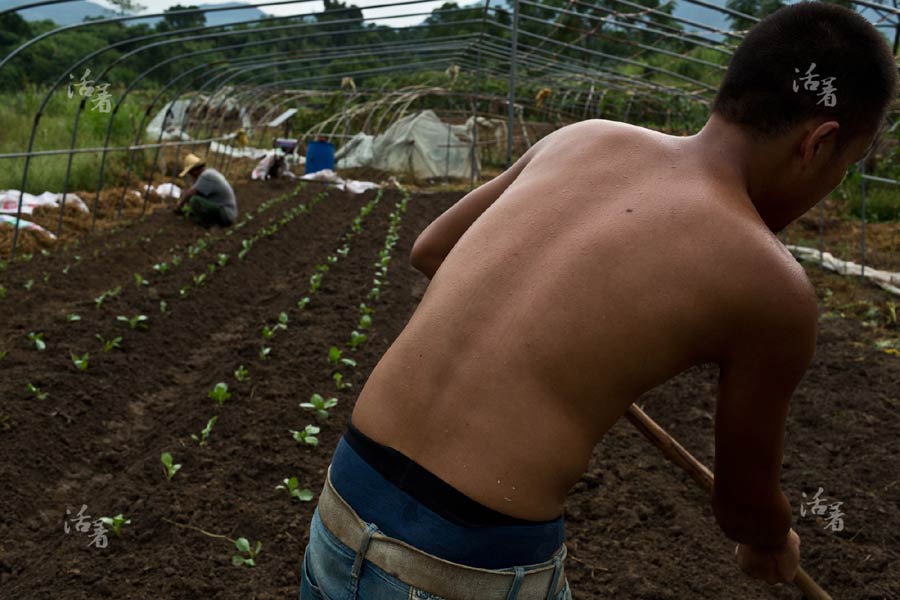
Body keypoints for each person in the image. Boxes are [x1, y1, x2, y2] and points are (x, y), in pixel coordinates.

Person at [299, 3, 897, 599]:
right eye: (847, 165)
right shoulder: (773, 286)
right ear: (819, 144)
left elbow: (431, 249)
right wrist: (772, 539)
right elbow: (743, 506)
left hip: (343, 509)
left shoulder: (582, 139)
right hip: (464, 570)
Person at [175, 153, 238, 228]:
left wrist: (179, 205)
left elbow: (191, 193)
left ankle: (208, 223)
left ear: (194, 171)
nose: (191, 176)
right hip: (226, 212)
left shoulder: (206, 175)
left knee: (195, 200)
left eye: (190, 173)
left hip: (226, 213)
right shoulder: (209, 173)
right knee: (194, 199)